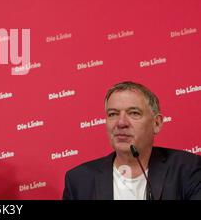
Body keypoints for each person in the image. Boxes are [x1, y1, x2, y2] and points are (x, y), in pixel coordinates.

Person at [63, 81, 201, 200]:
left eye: (134, 113)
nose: (121, 123)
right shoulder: (79, 180)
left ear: (156, 123)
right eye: (113, 114)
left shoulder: (188, 169)